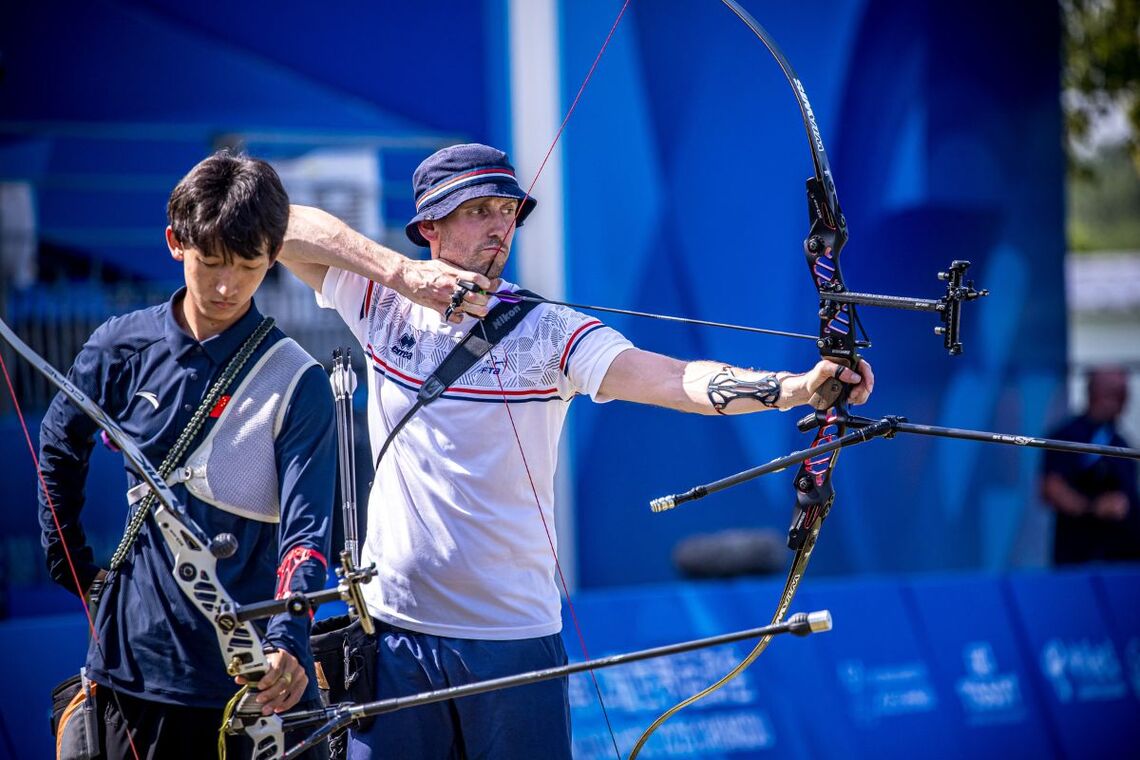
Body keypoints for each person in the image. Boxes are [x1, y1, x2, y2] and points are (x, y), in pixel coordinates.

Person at [279, 142, 875, 759]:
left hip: (511, 639)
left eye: (505, 209)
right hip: (396, 634)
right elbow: (278, 223)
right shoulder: (380, 302)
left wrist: (798, 389)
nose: (499, 225)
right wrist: (400, 273)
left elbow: (673, 380)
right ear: (430, 225)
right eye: (476, 210)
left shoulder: (549, 333)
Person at [38, 150, 336, 758]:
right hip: (126, 669)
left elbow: (307, 534)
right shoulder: (120, 345)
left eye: (249, 266)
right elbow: (57, 445)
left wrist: (289, 638)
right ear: (176, 242)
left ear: (274, 257)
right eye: (211, 262)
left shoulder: (297, 380)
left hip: (243, 687)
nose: (227, 286)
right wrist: (71, 567)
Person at [1040, 366, 1140, 564]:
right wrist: (1094, 507)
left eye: (1124, 395)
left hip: (1125, 558)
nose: (1123, 402)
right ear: (1096, 394)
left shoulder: (1120, 442)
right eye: (1117, 395)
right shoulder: (1067, 436)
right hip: (1082, 557)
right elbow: (1052, 488)